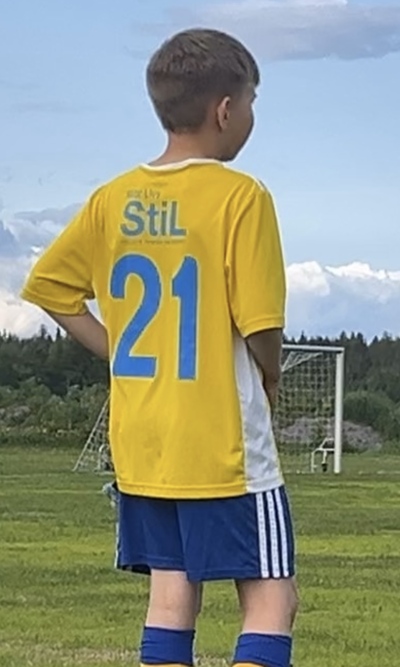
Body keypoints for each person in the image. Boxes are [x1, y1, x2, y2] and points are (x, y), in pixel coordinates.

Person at [21, 28, 298, 667]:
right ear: (225, 109)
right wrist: (271, 376)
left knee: (172, 596)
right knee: (272, 598)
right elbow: (260, 323)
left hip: (143, 441)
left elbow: (51, 289)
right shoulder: (241, 196)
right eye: (251, 102)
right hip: (222, 443)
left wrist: (119, 350)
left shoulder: (112, 199)